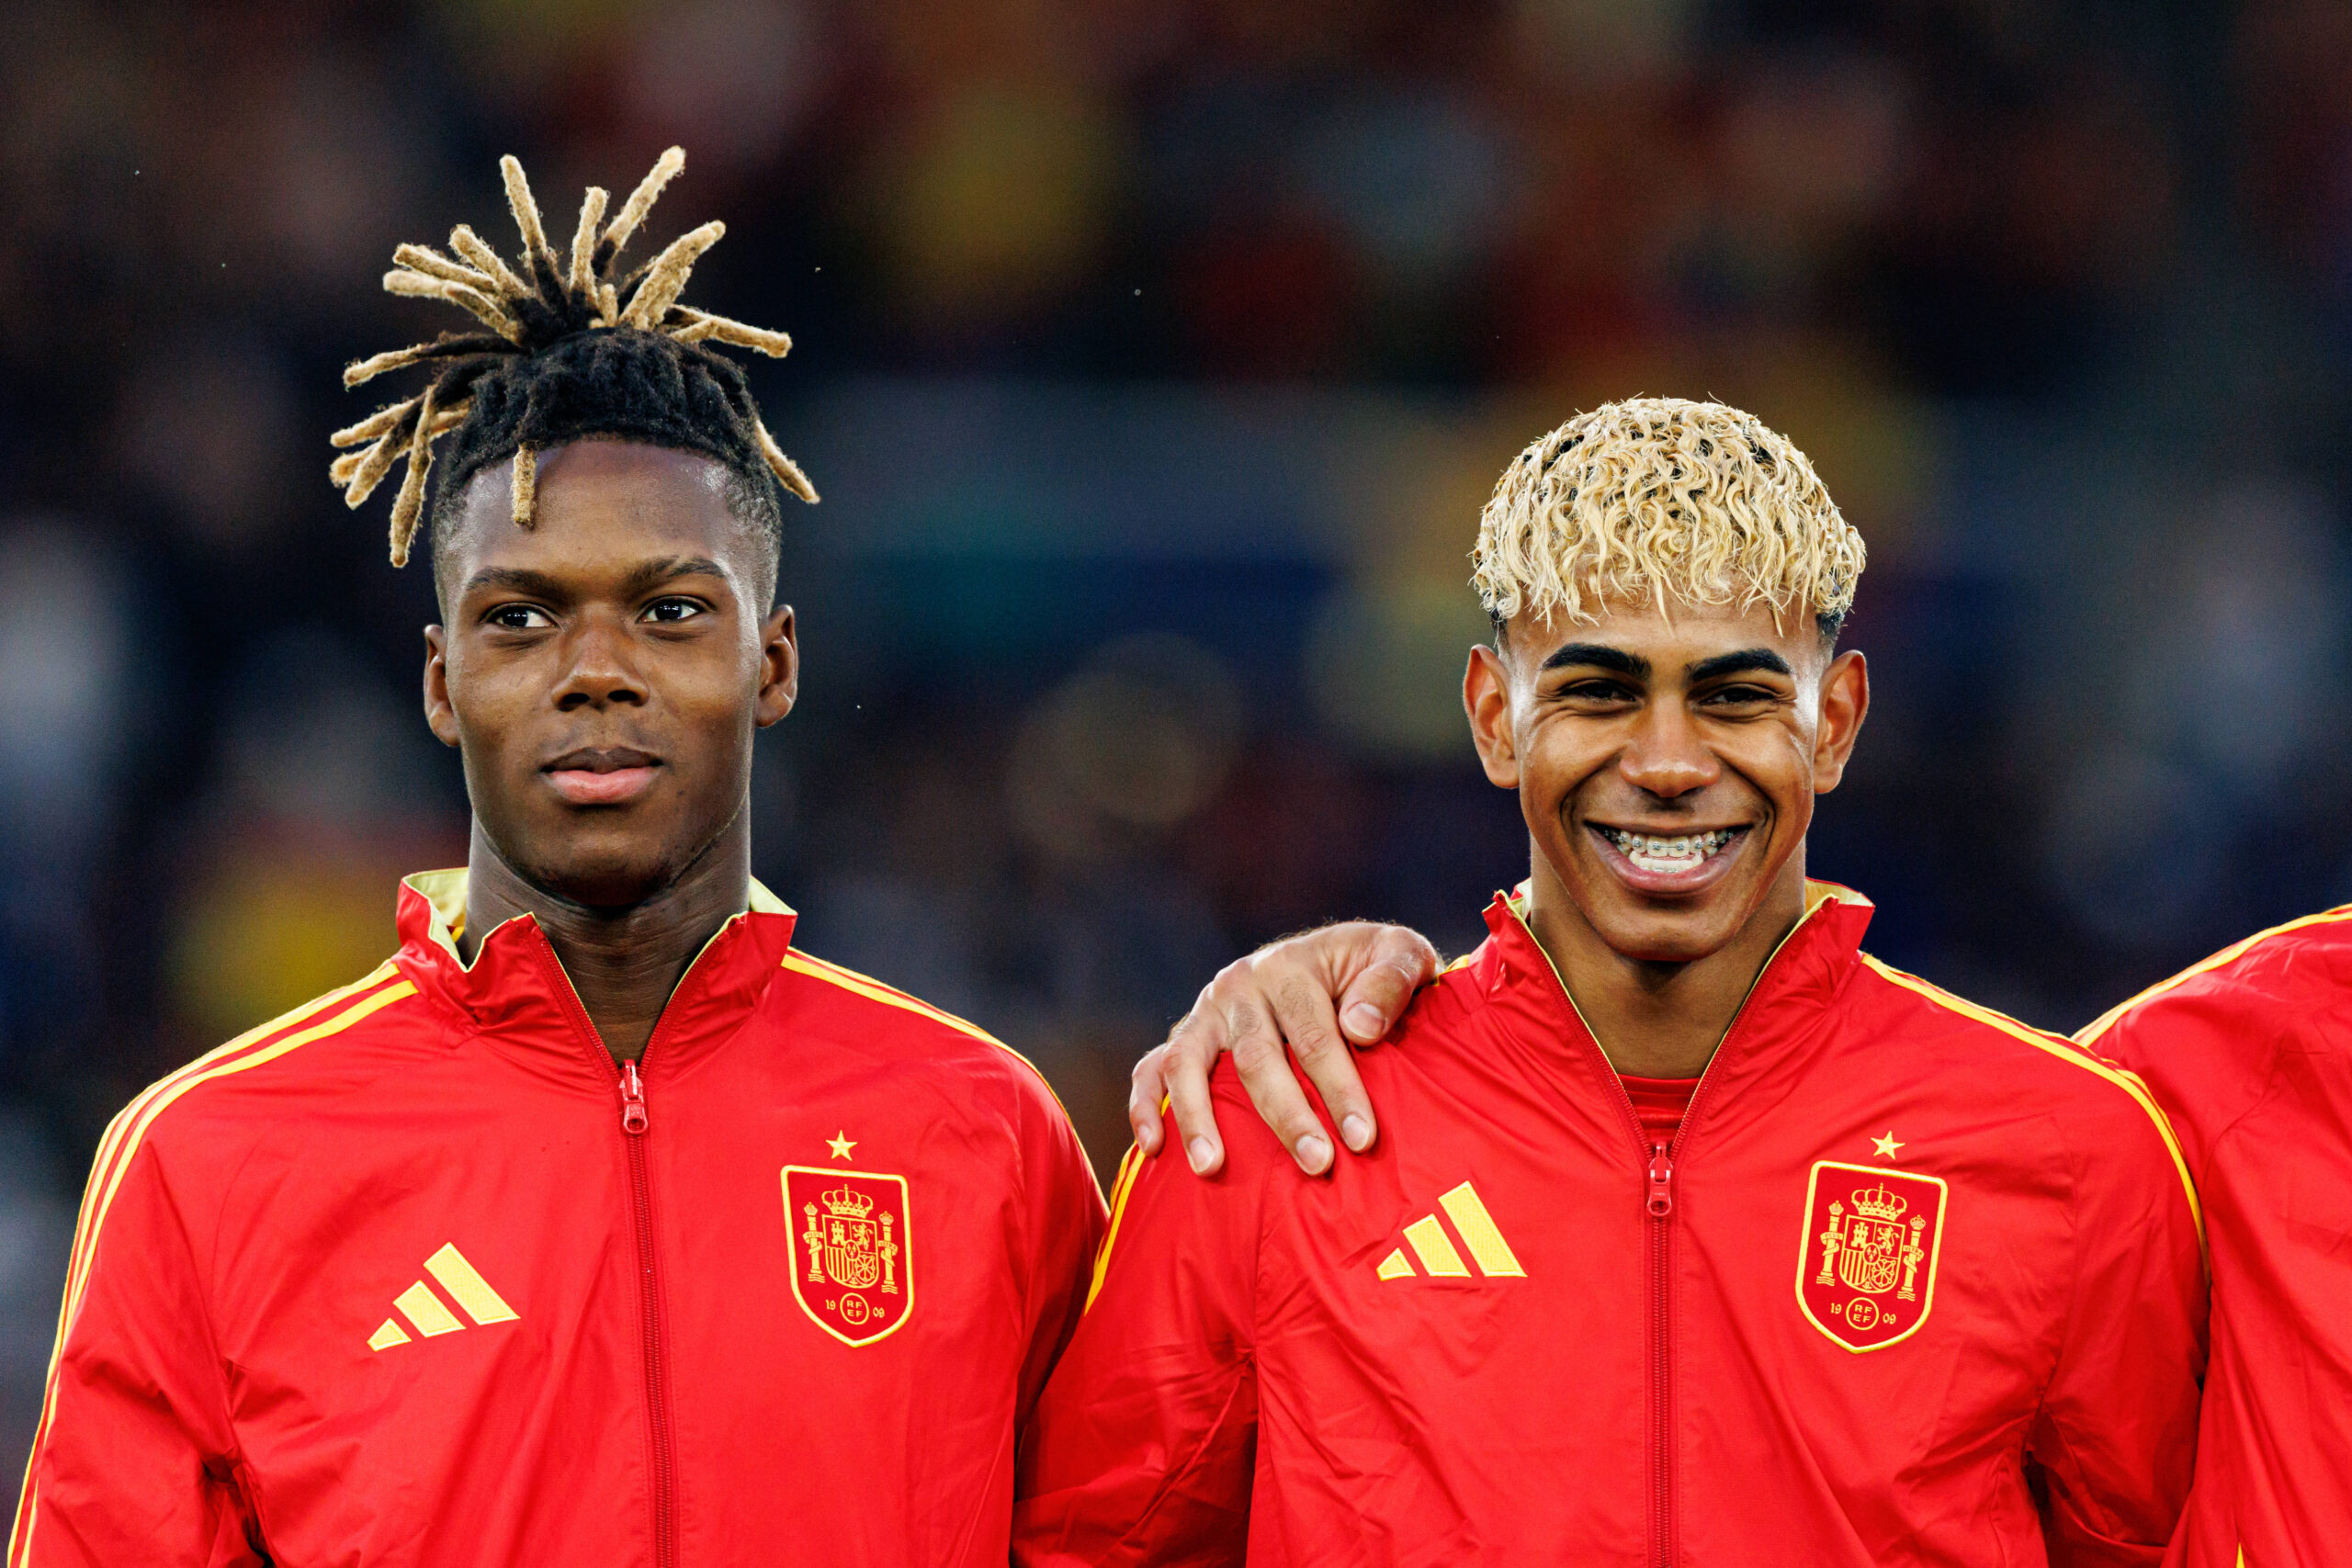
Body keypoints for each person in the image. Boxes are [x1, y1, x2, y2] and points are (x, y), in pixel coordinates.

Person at [4, 148, 1314, 1568]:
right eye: (521, 618)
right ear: (441, 681)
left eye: (672, 611)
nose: (596, 671)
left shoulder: (983, 1131)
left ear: (775, 662)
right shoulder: (206, 1164)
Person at [1015, 398, 2206, 1565]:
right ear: (1495, 717)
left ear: (1836, 722)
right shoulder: (1273, 1124)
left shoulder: (2072, 1153)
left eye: (1736, 695)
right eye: (1598, 691)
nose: (1669, 762)